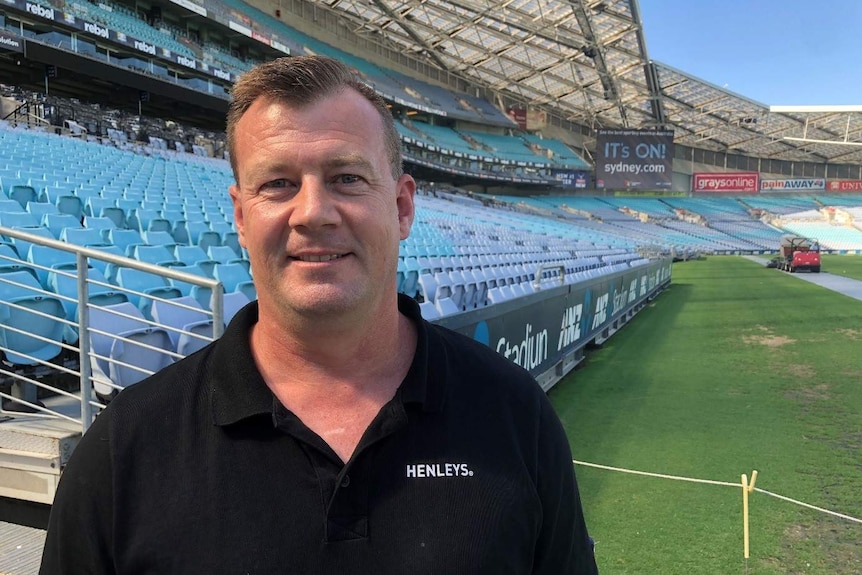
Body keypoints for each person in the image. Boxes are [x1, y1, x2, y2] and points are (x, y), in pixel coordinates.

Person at [40, 55, 598, 574]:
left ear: (402, 207)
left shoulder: (513, 411)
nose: (312, 213)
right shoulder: (123, 449)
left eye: (347, 178)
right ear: (240, 216)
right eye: (278, 183)